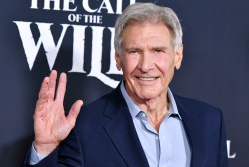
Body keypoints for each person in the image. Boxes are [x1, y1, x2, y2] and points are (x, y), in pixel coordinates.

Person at [23, 3, 229, 167]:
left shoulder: (210, 121)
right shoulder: (84, 126)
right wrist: (45, 148)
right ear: (118, 59)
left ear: (178, 56)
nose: (146, 66)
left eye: (158, 50)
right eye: (134, 52)